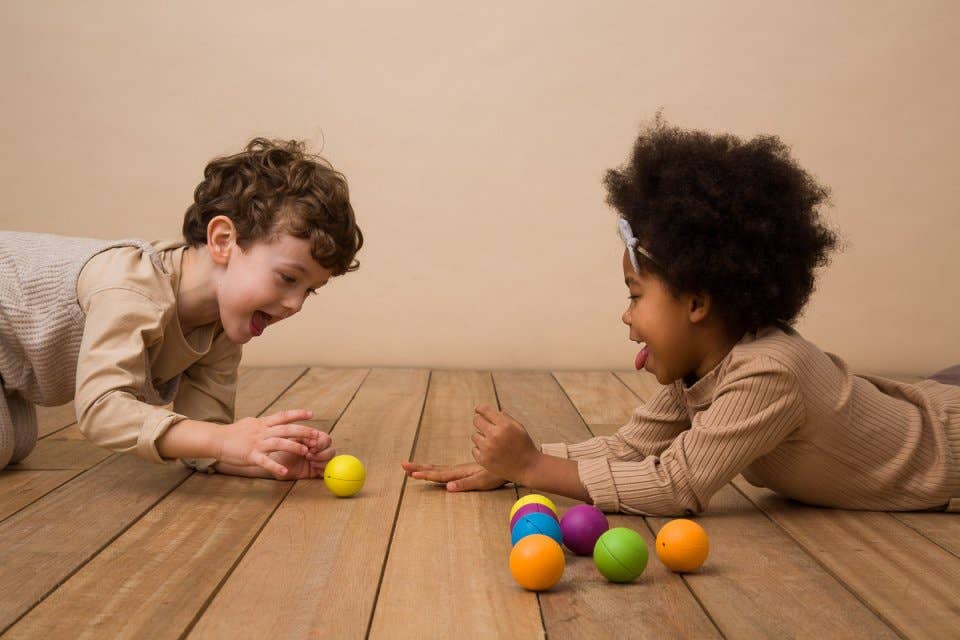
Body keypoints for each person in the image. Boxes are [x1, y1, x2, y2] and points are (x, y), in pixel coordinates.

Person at [403, 118, 960, 515]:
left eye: (634, 295)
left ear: (696, 303)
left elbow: (675, 485)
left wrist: (533, 470)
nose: (625, 316)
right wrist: (518, 462)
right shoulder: (702, 367)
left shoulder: (769, 374)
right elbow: (630, 448)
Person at [0, 138, 363, 479]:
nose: (295, 304)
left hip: (11, 370)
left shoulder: (221, 324)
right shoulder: (133, 287)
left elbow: (207, 433)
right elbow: (102, 410)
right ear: (223, 241)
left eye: (309, 291)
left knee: (19, 441)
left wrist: (261, 456)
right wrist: (223, 441)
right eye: (287, 278)